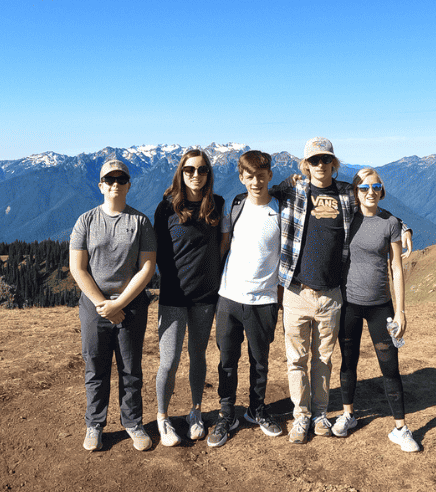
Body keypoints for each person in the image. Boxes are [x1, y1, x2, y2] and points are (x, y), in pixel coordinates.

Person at [274, 136, 359, 444]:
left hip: (332, 293)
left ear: (334, 163)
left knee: (323, 359)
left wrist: (402, 229)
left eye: (325, 160)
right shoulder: (292, 189)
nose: (320, 165)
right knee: (296, 359)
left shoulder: (348, 193)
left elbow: (374, 211)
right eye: (314, 160)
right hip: (298, 291)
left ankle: (320, 413)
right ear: (304, 164)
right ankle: (301, 416)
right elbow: (258, 192)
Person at [69, 157, 156, 453]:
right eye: (109, 180)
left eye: (121, 180)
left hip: (131, 306)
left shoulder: (141, 222)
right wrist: (103, 304)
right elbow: (78, 268)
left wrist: (120, 303)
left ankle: (132, 422)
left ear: (129, 185)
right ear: (101, 186)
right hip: (95, 307)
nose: (115, 184)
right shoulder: (86, 221)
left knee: (131, 368)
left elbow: (146, 268)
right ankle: (95, 424)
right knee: (95, 366)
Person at [334, 167, 419, 451]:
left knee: (390, 366)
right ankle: (348, 415)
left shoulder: (390, 222)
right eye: (364, 187)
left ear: (382, 190)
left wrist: (401, 311)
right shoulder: (345, 218)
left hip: (380, 306)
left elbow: (396, 267)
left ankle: (400, 428)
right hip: (348, 303)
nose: (371, 192)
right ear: (355, 190)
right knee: (348, 361)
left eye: (376, 186)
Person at [209, 150, 283, 448]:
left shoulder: (282, 209)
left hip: (264, 300)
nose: (256, 181)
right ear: (241, 177)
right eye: (249, 176)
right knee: (227, 361)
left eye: (261, 175)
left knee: (260, 361)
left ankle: (256, 409)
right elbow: (224, 246)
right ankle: (226, 413)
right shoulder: (234, 204)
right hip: (228, 297)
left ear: (270, 176)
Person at [154, 149, 226, 446]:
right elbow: (156, 253)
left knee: (198, 356)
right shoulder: (166, 208)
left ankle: (195, 411)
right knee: (169, 361)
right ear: (181, 173)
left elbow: (223, 245)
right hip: (173, 296)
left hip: (205, 296)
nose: (196, 175)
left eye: (202, 170)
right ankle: (162, 416)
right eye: (190, 170)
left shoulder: (218, 204)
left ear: (209, 173)